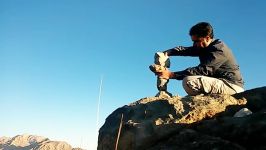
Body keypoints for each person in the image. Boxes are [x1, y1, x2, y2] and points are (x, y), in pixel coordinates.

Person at [157, 22, 244, 95]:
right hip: (219, 82)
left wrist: (171, 75)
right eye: (193, 41)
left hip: (232, 86)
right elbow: (185, 50)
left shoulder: (219, 49)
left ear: (207, 38)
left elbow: (203, 70)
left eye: (197, 41)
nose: (194, 44)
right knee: (190, 80)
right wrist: (167, 53)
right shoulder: (204, 46)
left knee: (189, 81)